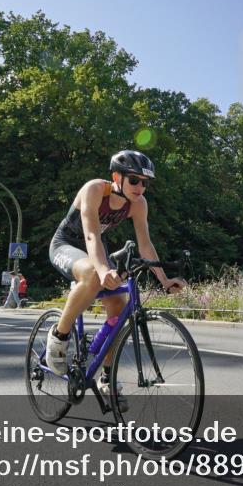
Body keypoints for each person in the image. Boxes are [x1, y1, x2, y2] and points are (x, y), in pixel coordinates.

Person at [46, 150, 186, 391]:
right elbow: (91, 234)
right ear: (116, 176)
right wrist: (102, 271)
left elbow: (145, 245)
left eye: (145, 182)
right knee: (92, 273)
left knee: (120, 304)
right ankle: (59, 337)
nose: (139, 187)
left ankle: (107, 376)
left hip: (97, 249)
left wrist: (163, 280)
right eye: (134, 180)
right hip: (67, 244)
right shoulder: (95, 189)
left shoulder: (138, 204)